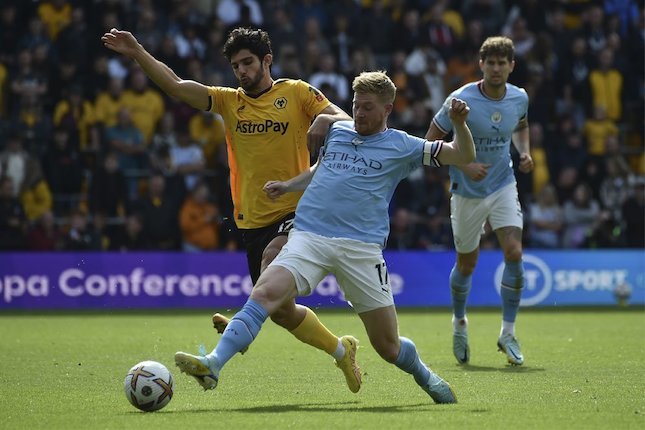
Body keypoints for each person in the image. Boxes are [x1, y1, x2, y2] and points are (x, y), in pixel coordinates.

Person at [174, 71, 475, 404]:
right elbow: (324, 168)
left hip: (360, 249)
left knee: (388, 347)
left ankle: (423, 374)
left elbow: (461, 156)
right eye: (356, 106)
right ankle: (213, 364)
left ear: (388, 109)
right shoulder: (339, 131)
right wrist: (289, 186)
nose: (359, 113)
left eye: (368, 108)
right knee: (266, 291)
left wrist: (460, 124)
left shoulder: (403, 145)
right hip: (310, 235)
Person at [101, 27, 362, 392]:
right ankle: (341, 349)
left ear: (267, 60)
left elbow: (350, 121)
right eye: (235, 65)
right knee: (283, 311)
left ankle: (214, 362)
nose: (241, 71)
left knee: (271, 270)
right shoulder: (227, 101)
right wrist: (136, 52)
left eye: (248, 62)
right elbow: (176, 85)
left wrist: (324, 118)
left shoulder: (297, 93)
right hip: (252, 222)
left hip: (298, 213)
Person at [424, 36, 534, 366]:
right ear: (481, 64)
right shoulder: (459, 99)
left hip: (502, 183)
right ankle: (459, 324)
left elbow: (522, 125)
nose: (497, 68)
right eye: (491, 62)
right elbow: (429, 142)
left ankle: (508, 332)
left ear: (512, 66)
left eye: (503, 63)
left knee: (514, 252)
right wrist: (462, 162)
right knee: (467, 264)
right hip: (466, 191)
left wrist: (524, 150)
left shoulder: (519, 97)